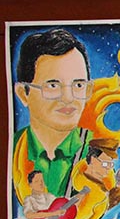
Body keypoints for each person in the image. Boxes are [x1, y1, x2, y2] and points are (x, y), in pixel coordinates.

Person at [12, 28, 93, 203]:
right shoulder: (11, 149)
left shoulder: (99, 150)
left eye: (79, 85)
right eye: (53, 85)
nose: (68, 98)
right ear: (23, 93)